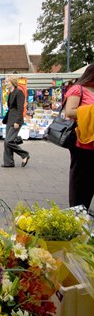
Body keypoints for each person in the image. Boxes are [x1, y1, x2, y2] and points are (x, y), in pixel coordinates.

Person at [65, 63, 94, 210]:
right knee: (81, 185)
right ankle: (78, 215)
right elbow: (69, 112)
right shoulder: (78, 89)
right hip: (82, 144)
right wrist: (91, 110)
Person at [1, 76, 30, 168]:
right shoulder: (10, 93)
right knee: (7, 141)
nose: (5, 83)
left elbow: (20, 108)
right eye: (5, 82)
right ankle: (8, 162)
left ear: (12, 82)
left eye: (7, 82)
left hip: (16, 120)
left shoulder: (19, 92)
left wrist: (17, 121)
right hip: (10, 119)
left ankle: (24, 154)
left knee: (9, 141)